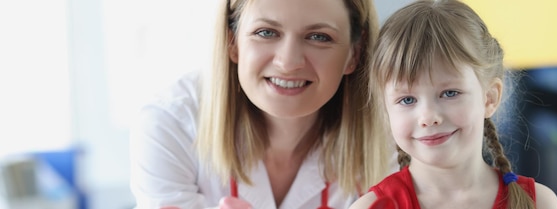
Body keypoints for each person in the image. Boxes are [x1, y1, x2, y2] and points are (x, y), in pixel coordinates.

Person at [129, 0, 394, 208]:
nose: (288, 63)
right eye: (266, 32)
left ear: (354, 53)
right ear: (232, 42)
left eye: (319, 37)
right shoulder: (171, 121)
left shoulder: (393, 129)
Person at [349, 0, 557, 209]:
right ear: (386, 109)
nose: (428, 117)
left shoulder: (539, 203)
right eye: (407, 99)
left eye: (449, 93)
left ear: (489, 98)